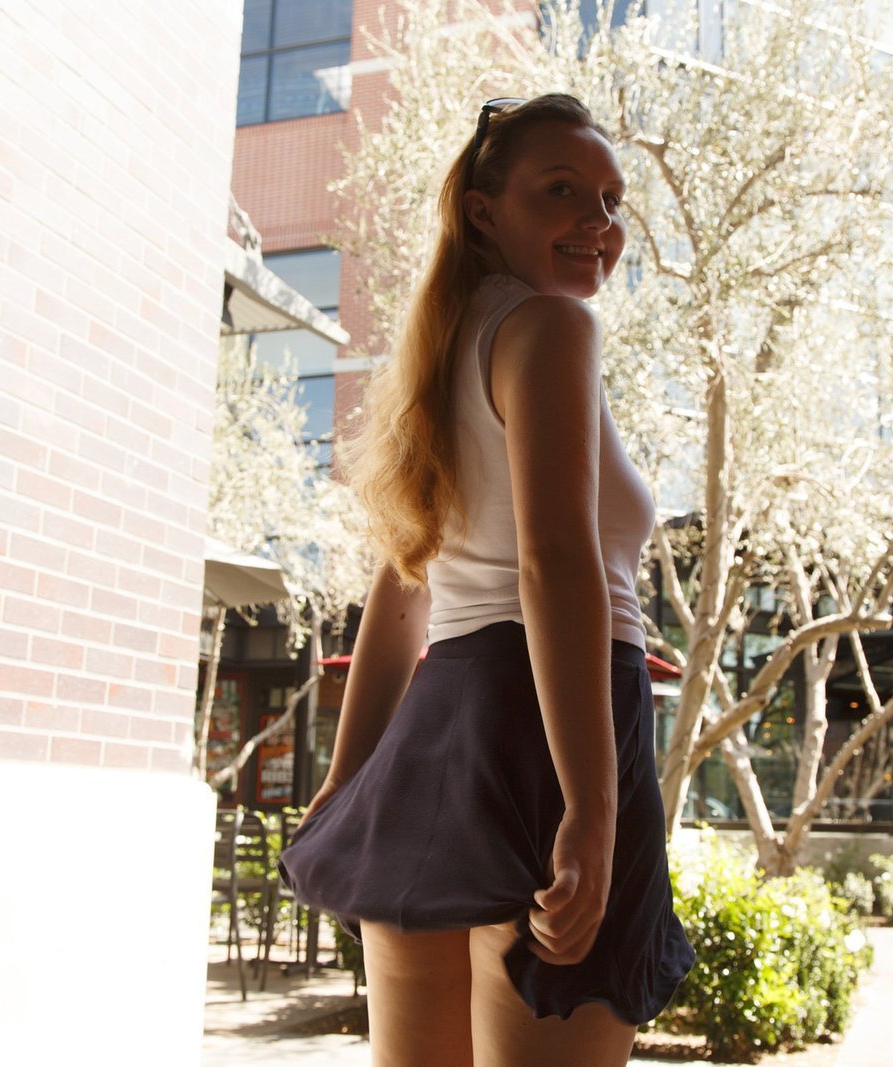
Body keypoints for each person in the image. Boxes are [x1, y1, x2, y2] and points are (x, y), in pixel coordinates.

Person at [276, 94, 694, 1066]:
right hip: (559, 725)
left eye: (611, 199)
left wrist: (349, 777)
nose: (598, 221)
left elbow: (401, 591)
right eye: (562, 191)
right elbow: (556, 560)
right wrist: (591, 806)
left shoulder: (441, 352)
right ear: (482, 210)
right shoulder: (551, 327)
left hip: (434, 742)